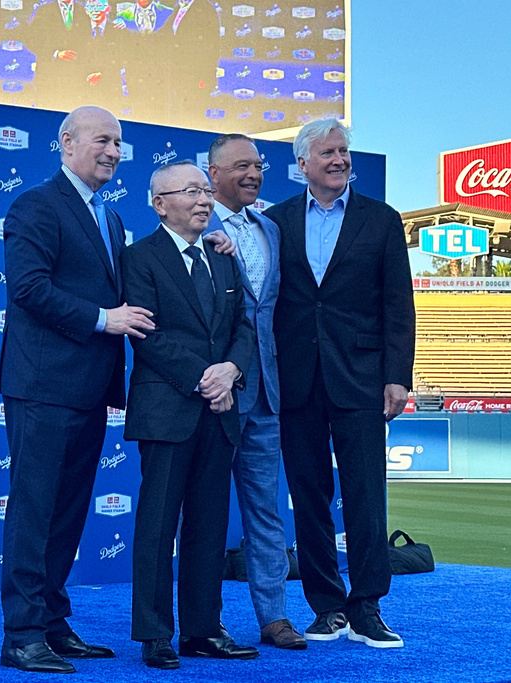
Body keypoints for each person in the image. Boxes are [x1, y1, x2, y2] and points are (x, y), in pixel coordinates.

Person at [0, 105, 155, 674]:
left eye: (119, 143)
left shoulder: (110, 220)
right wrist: (102, 319)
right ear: (67, 143)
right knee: (36, 510)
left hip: (88, 390)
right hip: (42, 386)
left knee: (66, 514)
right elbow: (29, 288)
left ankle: (52, 624)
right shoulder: (36, 204)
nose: (113, 152)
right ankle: (21, 634)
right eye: (102, 141)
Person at [264, 119, 415, 648]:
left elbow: (399, 304)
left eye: (343, 151)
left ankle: (368, 605)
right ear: (302, 163)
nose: (339, 159)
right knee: (308, 496)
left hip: (363, 379)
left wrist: (398, 377)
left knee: (366, 497)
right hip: (297, 379)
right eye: (326, 152)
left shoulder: (382, 219)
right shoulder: (276, 221)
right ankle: (326, 606)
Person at [121, 161, 258, 669]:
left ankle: (203, 629)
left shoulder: (223, 257)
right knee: (157, 525)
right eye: (191, 191)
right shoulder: (138, 258)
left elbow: (243, 327)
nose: (204, 199)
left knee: (208, 524)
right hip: (168, 409)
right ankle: (155, 633)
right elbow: (147, 334)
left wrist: (230, 372)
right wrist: (207, 377)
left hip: (220, 409)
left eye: (206, 190)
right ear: (160, 204)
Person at [204, 134, 305, 650]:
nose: (254, 174)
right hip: (214, 394)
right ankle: (206, 620)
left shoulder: (271, 227)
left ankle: (274, 616)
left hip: (267, 391)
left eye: (259, 166)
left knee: (265, 509)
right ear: (213, 172)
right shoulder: (193, 225)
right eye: (241, 165)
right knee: (204, 510)